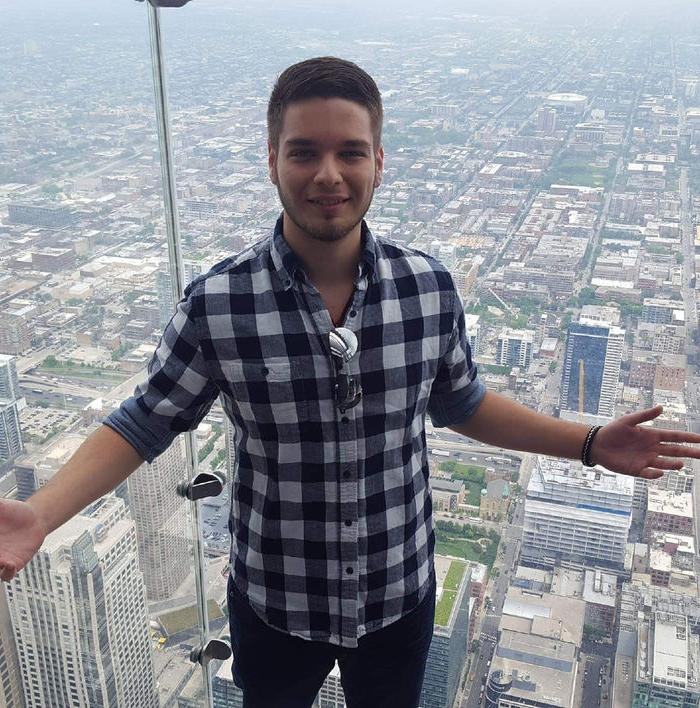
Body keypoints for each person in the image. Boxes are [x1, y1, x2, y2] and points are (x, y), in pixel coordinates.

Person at [1, 56, 699, 708]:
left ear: (379, 163)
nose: (327, 174)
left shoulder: (427, 288)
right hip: (276, 598)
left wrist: (588, 443)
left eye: (350, 152)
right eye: (304, 151)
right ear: (272, 160)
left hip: (398, 591)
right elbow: (146, 420)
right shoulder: (220, 304)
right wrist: (42, 513)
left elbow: (464, 404)